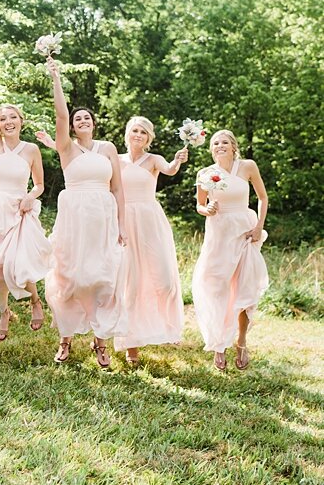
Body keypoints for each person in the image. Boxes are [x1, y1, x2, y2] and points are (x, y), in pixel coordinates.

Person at [43, 58, 127, 368]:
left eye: (86, 117)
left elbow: (118, 189)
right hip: (74, 218)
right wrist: (56, 78)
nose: (81, 120)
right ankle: (65, 339)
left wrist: (122, 225)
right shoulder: (65, 147)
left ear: (93, 123)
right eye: (77, 118)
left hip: (103, 218)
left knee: (103, 277)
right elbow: (61, 114)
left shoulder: (107, 148)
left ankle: (101, 342)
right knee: (72, 277)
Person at [0, 46, 52, 341]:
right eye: (2, 119)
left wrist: (30, 198)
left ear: (20, 121)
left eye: (12, 118)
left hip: (20, 211)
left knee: (15, 263)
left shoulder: (31, 150)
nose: (7, 122)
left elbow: (40, 184)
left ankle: (35, 301)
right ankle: (5, 310)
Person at [112, 117, 188, 365]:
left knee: (163, 280)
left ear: (149, 137)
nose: (138, 135)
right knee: (129, 283)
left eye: (143, 132)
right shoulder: (116, 159)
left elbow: (170, 169)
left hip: (149, 222)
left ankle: (165, 326)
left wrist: (177, 160)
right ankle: (130, 346)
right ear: (127, 133)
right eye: (134, 130)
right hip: (122, 220)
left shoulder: (154, 160)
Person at [192, 129, 268, 371]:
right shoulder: (205, 174)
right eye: (215, 143)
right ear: (211, 148)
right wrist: (208, 209)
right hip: (219, 233)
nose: (220, 146)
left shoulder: (247, 166)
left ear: (233, 146)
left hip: (244, 231)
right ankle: (219, 345)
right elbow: (199, 205)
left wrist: (258, 227)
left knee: (245, 286)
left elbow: (263, 197)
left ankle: (242, 342)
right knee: (217, 288)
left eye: (224, 142)